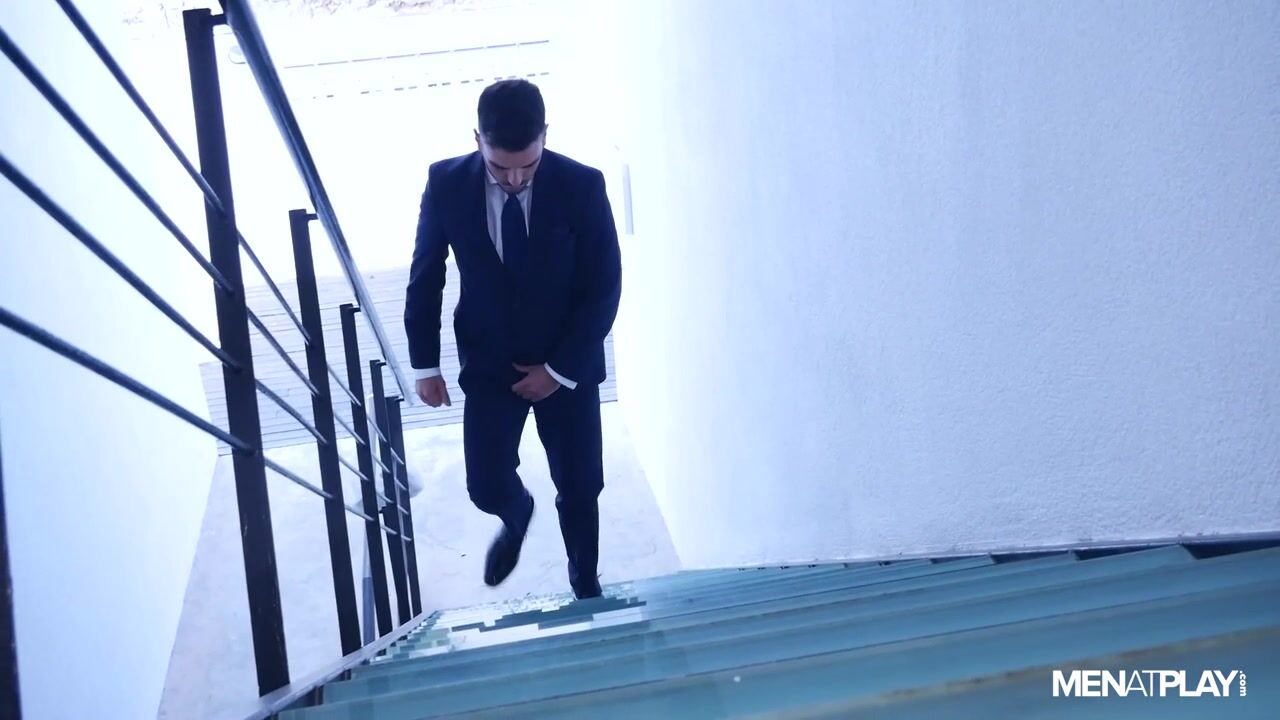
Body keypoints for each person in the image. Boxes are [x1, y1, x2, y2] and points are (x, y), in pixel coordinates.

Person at [403, 79, 621, 600]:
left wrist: (559, 371)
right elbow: (426, 274)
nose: (516, 179)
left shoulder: (582, 185)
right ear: (477, 140)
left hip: (566, 363)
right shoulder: (445, 183)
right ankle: (516, 512)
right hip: (490, 361)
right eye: (500, 168)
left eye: (529, 164)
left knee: (581, 486)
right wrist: (425, 364)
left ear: (546, 135)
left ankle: (584, 578)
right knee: (484, 485)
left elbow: (604, 285)